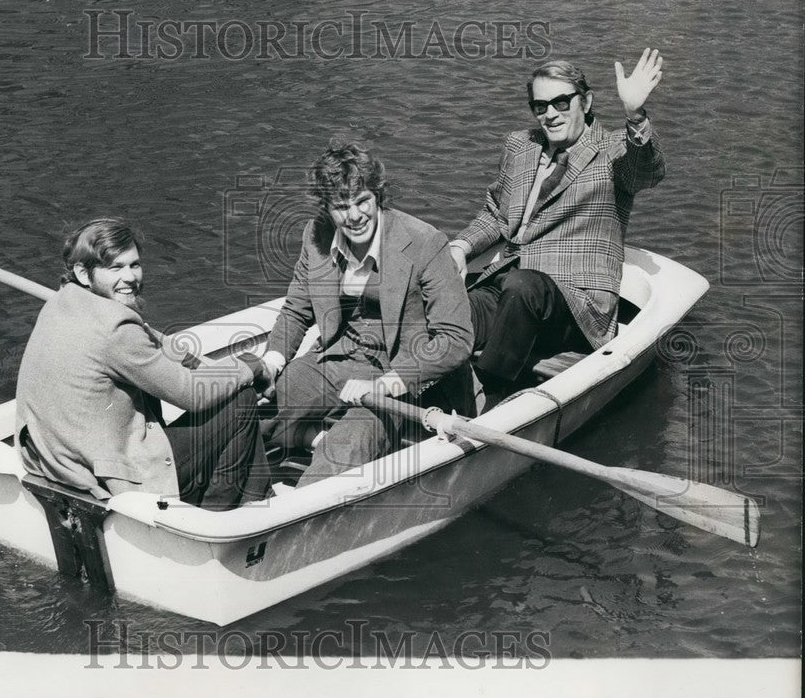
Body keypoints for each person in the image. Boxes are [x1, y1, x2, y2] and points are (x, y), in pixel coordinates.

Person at [449, 48, 666, 409]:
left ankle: (489, 396)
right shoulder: (520, 146)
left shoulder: (613, 152)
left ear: (586, 102)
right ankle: (416, 383)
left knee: (524, 286)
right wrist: (459, 247)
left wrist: (635, 114)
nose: (550, 114)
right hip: (509, 285)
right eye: (540, 106)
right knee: (450, 307)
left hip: (574, 306)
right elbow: (495, 215)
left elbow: (647, 172)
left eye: (562, 103)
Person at [15, 218, 272, 510]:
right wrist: (250, 365)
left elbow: (147, 340)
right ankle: (224, 514)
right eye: (115, 268)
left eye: (134, 265)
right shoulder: (117, 328)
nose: (130, 277)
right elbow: (191, 394)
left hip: (57, 464)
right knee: (240, 401)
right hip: (110, 480)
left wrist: (185, 357)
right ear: (83, 273)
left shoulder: (59, 303)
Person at [260, 142, 475, 482]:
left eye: (363, 202)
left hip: (399, 375)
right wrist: (271, 362)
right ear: (326, 207)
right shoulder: (316, 234)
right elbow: (296, 309)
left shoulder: (424, 242)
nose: (355, 216)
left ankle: (290, 516)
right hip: (333, 360)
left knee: (345, 448)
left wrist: (390, 382)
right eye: (341, 207)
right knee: (246, 414)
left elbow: (456, 339)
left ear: (378, 196)